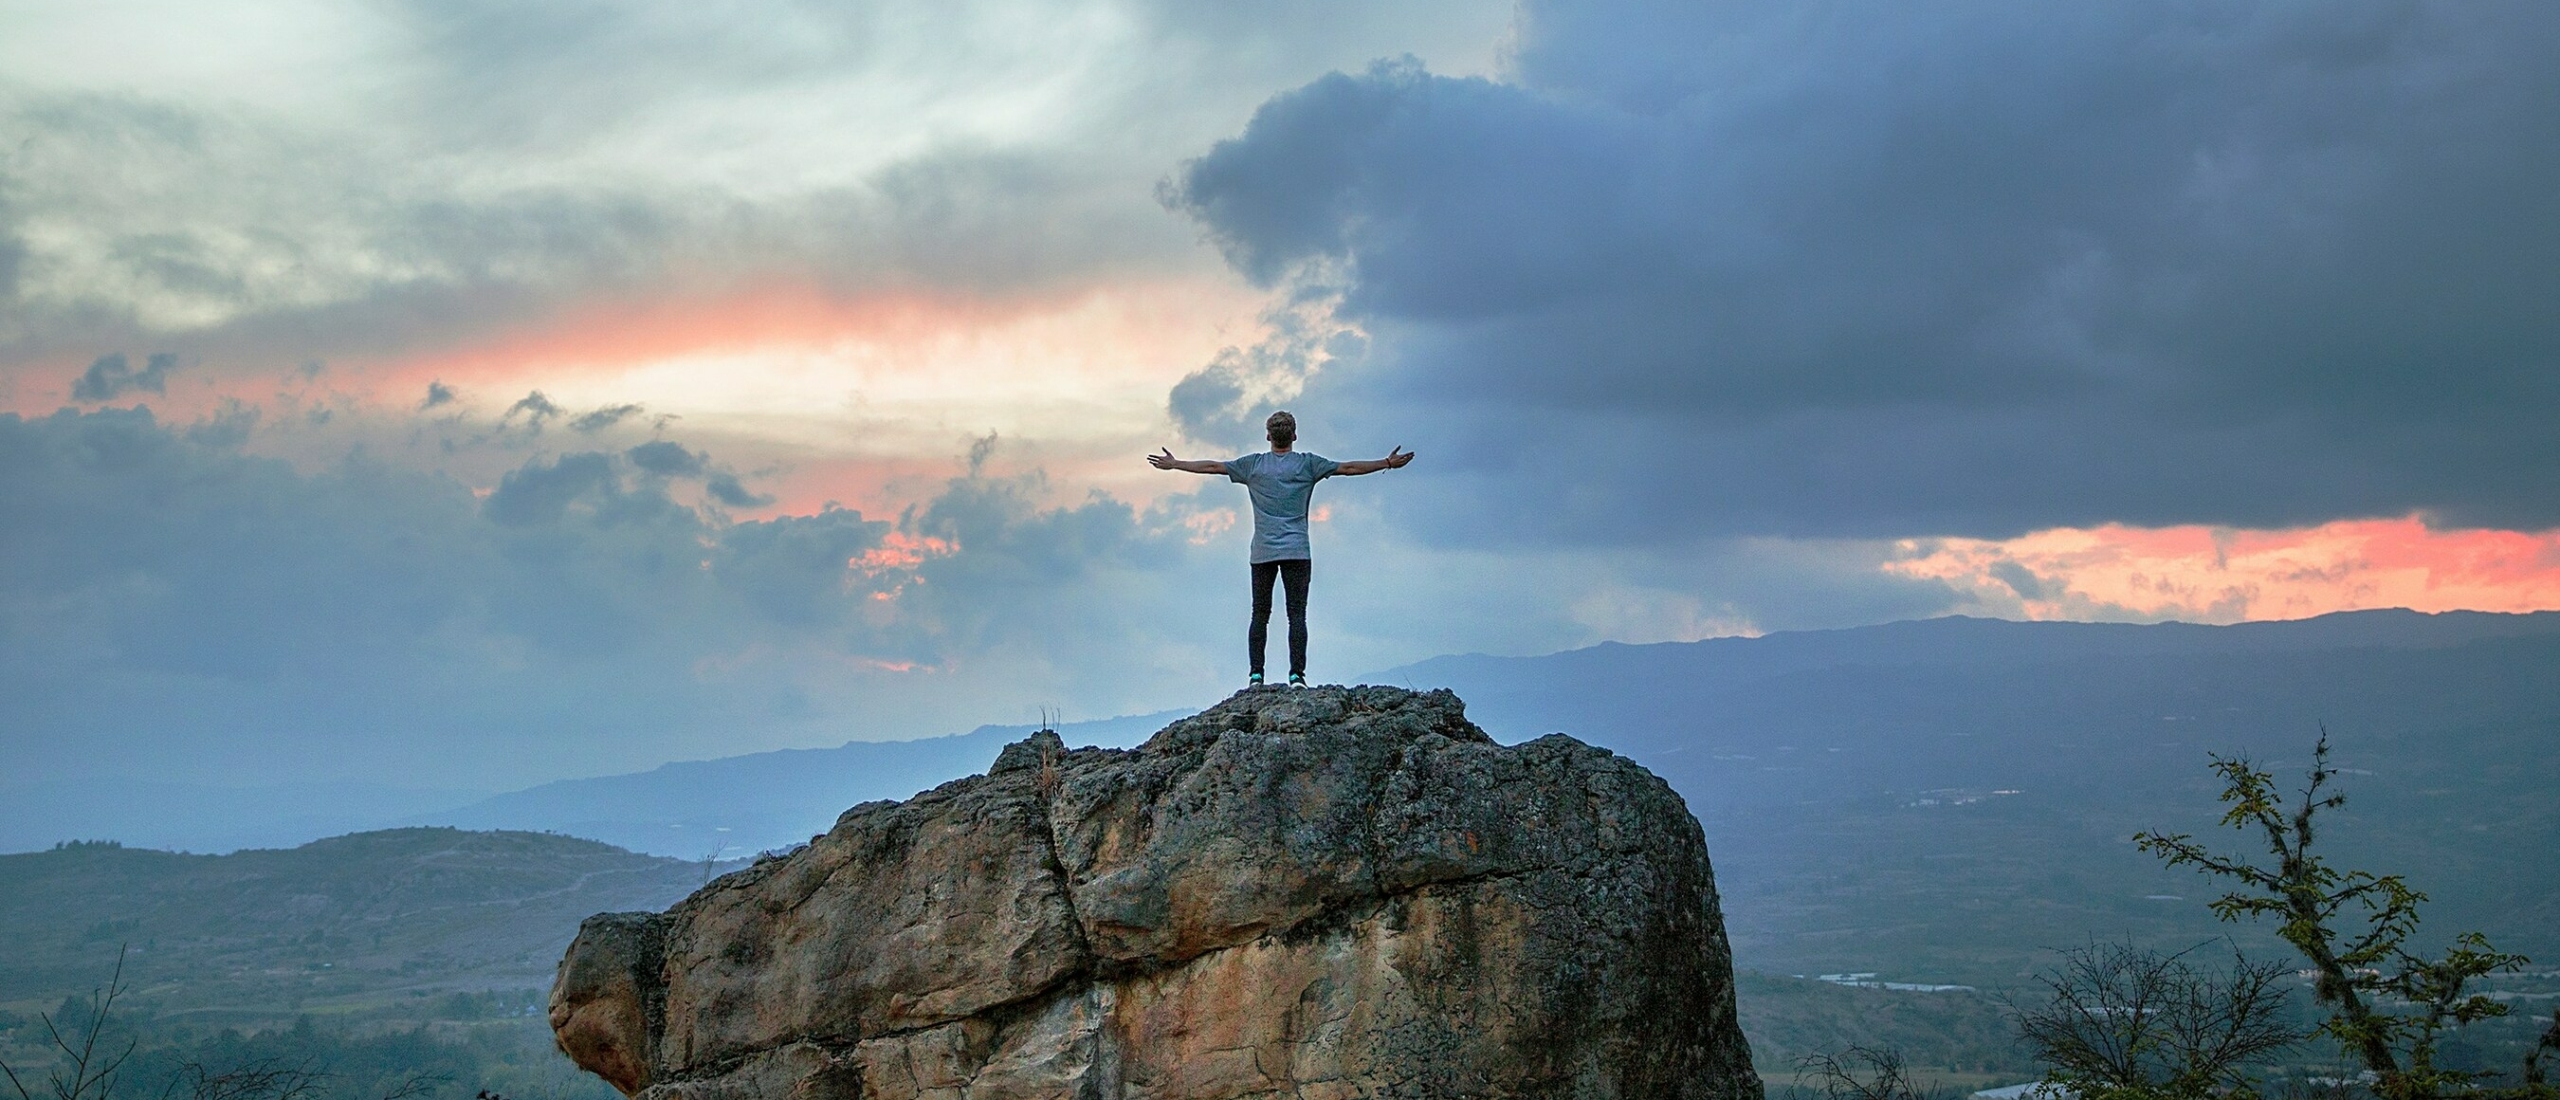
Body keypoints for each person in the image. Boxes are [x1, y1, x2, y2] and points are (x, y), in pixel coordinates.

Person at [1150, 410, 1414, 688]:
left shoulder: (1253, 466)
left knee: (1259, 614)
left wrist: (1176, 464)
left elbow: (1213, 467)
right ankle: (1297, 676)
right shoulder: (1308, 465)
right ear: (1295, 436)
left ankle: (1256, 676)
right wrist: (1387, 462)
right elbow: (1348, 468)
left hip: (1263, 552)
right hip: (1297, 550)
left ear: (1268, 436)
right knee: (1297, 614)